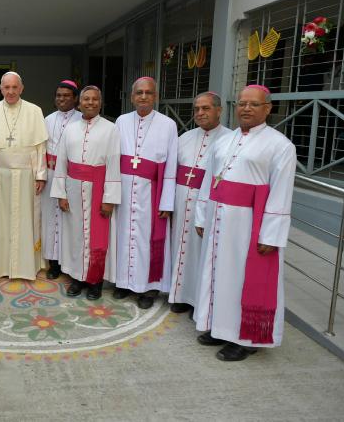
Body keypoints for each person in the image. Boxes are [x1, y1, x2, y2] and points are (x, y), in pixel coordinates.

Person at [194, 84, 296, 361]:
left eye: (254, 104)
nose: (246, 108)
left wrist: (271, 236)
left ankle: (245, 338)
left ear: (267, 108)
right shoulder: (224, 140)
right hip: (218, 220)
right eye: (242, 103)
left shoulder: (280, 145)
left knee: (241, 278)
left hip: (249, 226)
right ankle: (219, 327)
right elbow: (209, 181)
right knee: (219, 274)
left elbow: (281, 193)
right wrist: (202, 215)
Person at [109, 76, 178, 309]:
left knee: (146, 239)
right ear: (132, 97)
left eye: (148, 93)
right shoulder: (121, 121)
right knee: (123, 236)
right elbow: (113, 157)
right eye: (139, 93)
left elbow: (171, 167)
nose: (144, 97)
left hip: (151, 194)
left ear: (155, 96)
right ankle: (123, 283)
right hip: (124, 192)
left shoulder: (168, 124)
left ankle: (148, 287)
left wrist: (166, 203)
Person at [0, 71, 48, 280]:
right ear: (1, 89)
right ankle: (1, 265)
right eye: (6, 87)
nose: (11, 91)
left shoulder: (34, 111)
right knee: (1, 222)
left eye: (15, 87)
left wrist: (40, 175)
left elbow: (40, 147)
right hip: (0, 177)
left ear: (22, 88)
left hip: (27, 176)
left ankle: (26, 266)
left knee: (26, 221)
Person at [50, 86, 120, 300]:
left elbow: (113, 164)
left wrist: (109, 199)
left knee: (96, 238)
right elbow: (61, 162)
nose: (90, 102)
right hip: (72, 189)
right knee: (75, 235)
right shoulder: (70, 129)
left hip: (97, 189)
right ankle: (77, 278)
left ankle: (95, 281)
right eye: (86, 99)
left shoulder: (111, 129)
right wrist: (61, 193)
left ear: (100, 103)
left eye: (95, 99)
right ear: (79, 103)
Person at [168, 92, 230, 315]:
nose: (200, 113)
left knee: (200, 254)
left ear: (219, 110)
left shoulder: (229, 140)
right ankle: (179, 295)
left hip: (207, 207)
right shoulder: (184, 137)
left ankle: (198, 301)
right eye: (197, 109)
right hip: (180, 203)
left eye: (206, 108)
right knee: (179, 248)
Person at [42, 79, 82, 280]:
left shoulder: (82, 119)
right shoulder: (48, 119)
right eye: (58, 95)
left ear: (75, 98)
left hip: (71, 177)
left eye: (66, 96)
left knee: (70, 220)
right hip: (50, 175)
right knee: (50, 219)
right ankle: (54, 263)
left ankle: (70, 263)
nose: (62, 99)